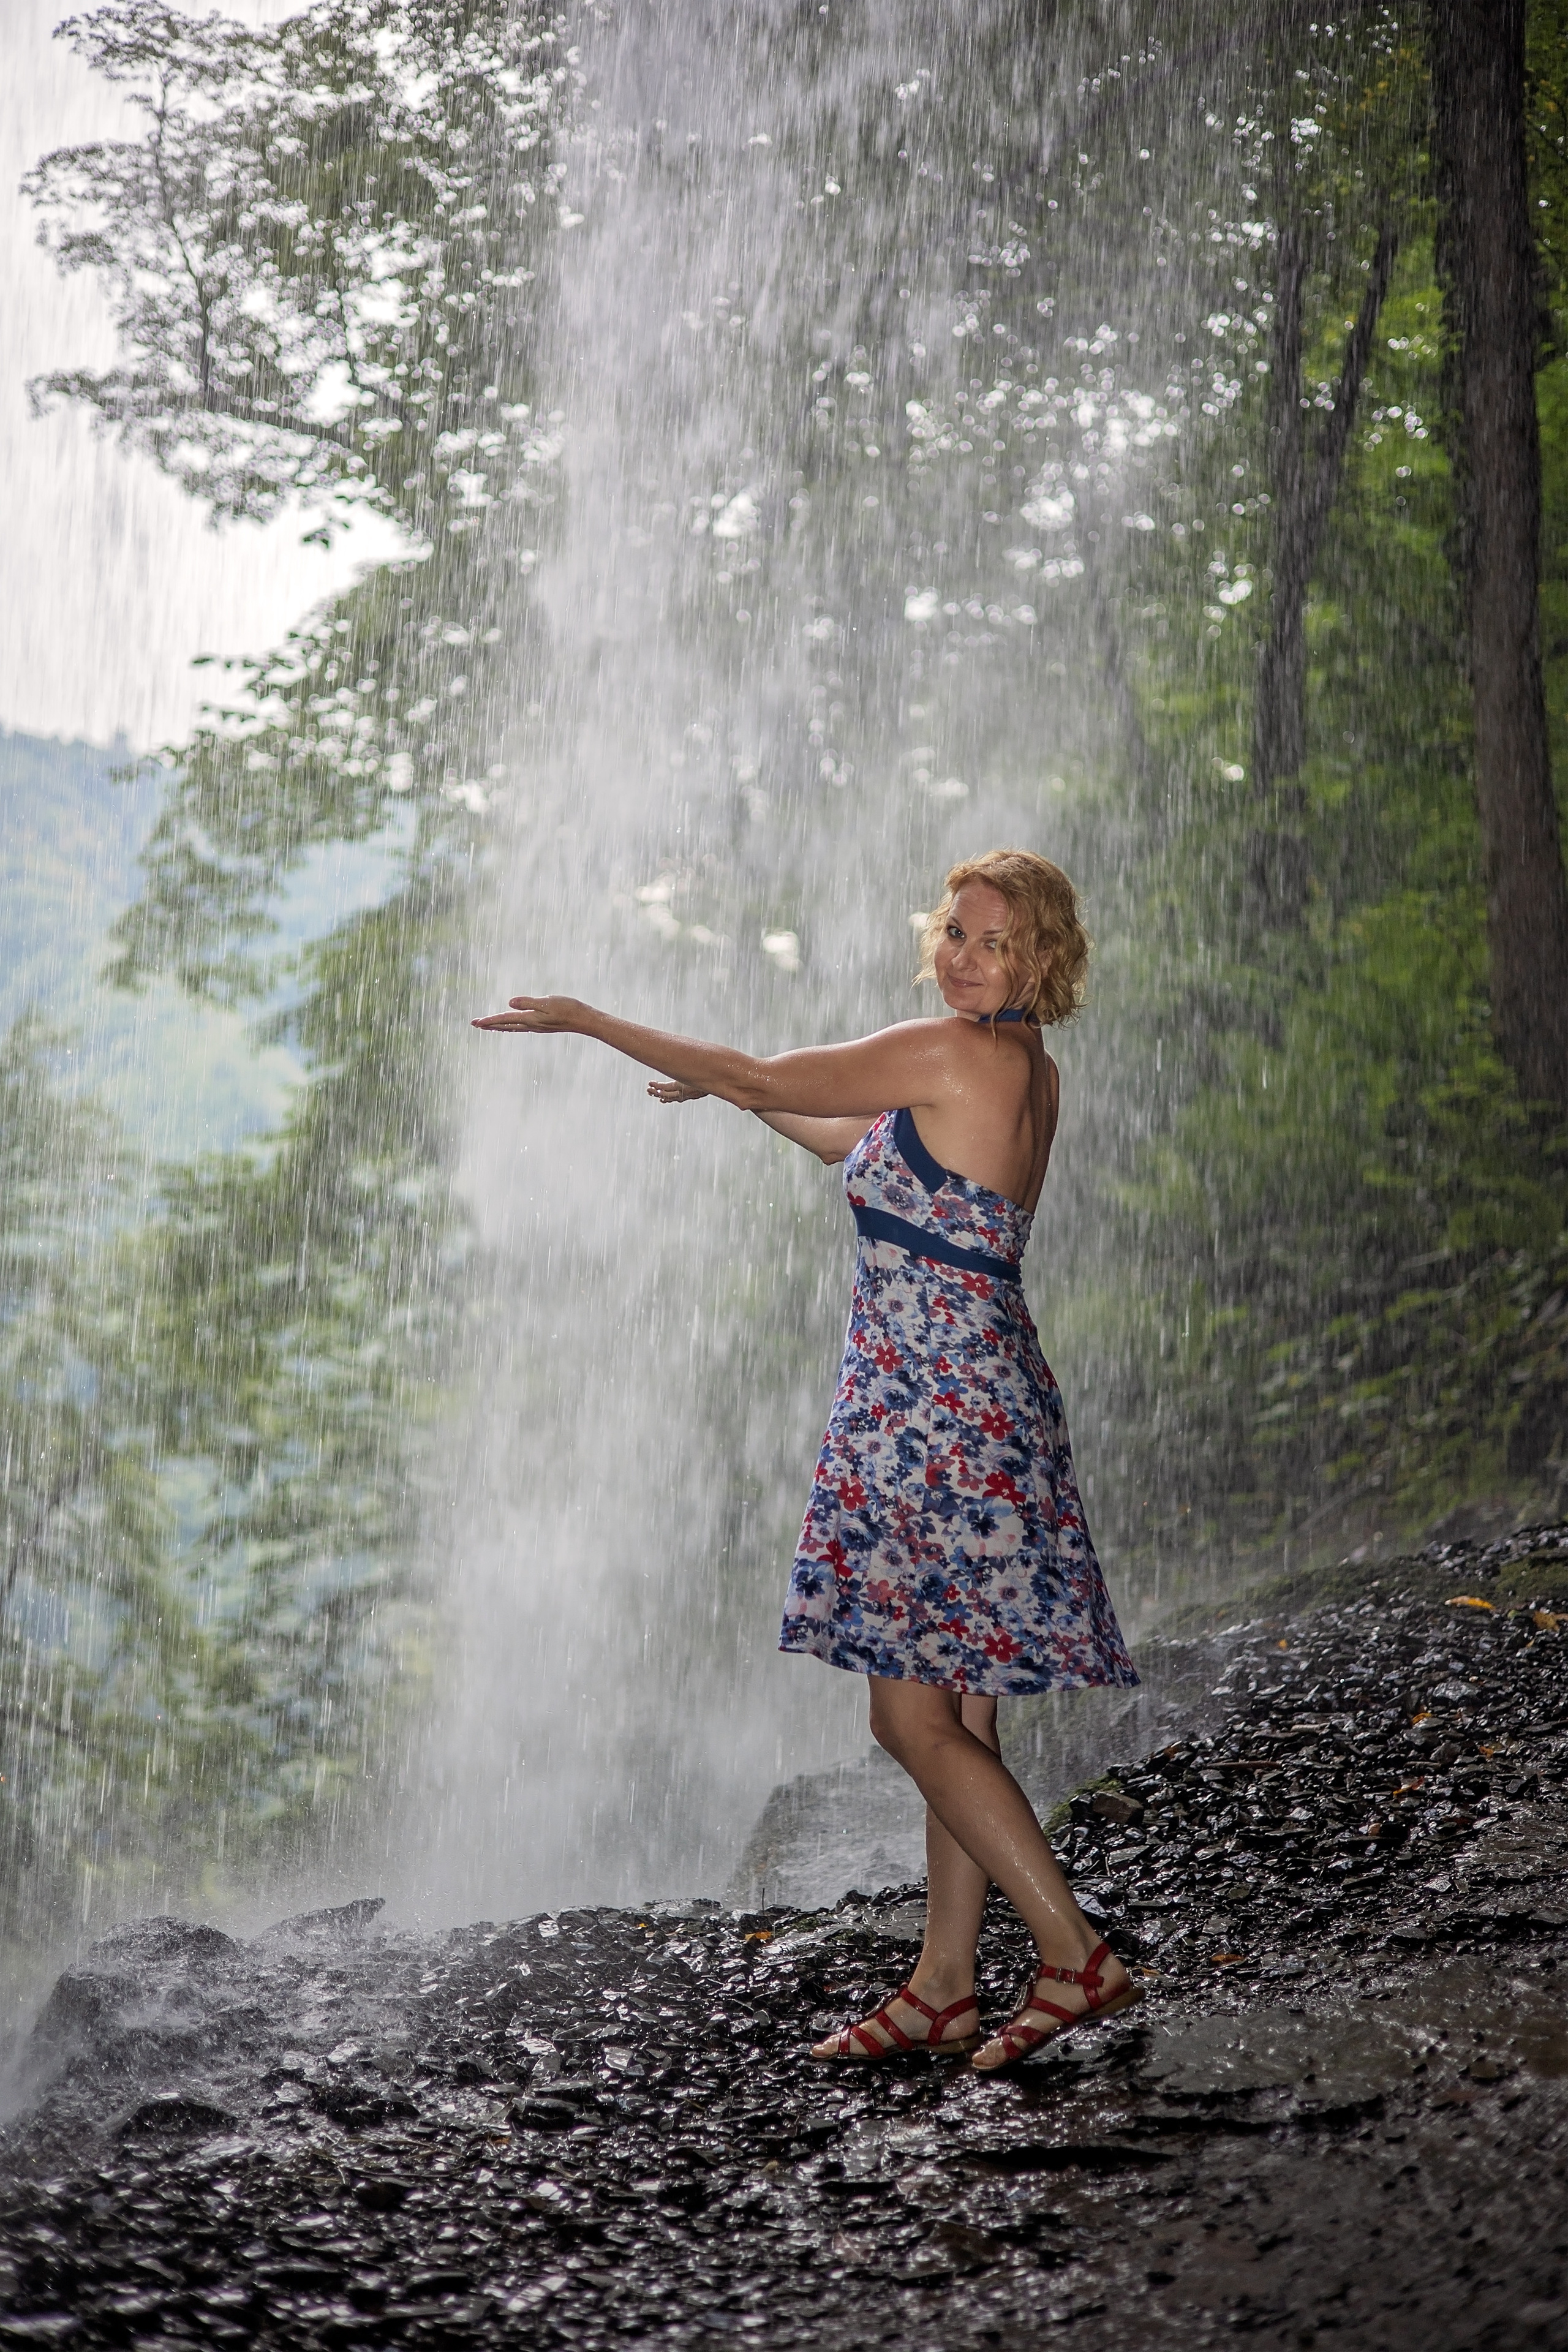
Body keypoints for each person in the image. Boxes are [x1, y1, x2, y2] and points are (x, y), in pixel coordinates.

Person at [473, 846, 1139, 2070]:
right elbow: (849, 1143)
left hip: (931, 1424)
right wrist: (729, 1093)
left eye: (990, 941)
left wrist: (588, 1023)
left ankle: (1072, 1958)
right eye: (952, 928)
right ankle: (944, 1985)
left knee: (906, 1721)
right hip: (979, 1408)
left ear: (1035, 962)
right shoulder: (1016, 1067)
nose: (958, 952)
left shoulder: (949, 1052)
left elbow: (762, 1069)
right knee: (957, 1712)